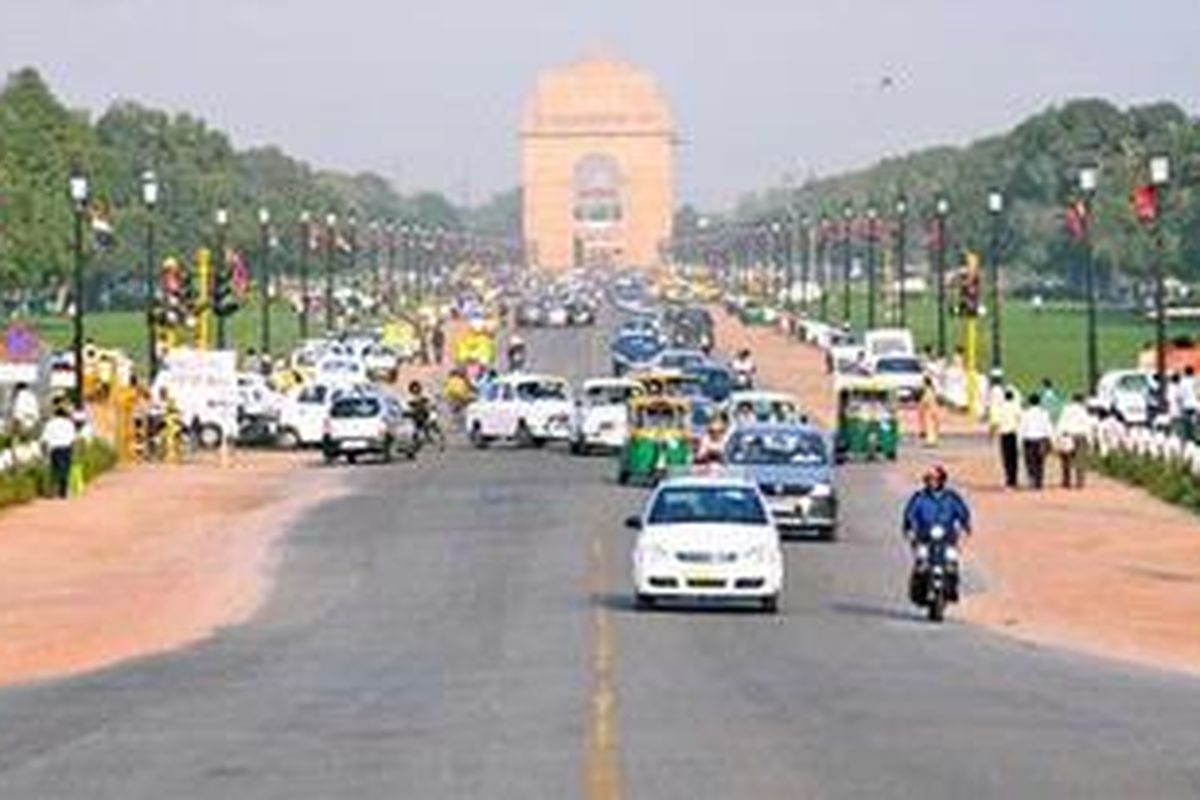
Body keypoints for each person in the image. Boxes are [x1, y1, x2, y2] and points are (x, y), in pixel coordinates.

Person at [901, 465, 972, 602]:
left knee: (952, 565)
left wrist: (965, 526)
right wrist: (909, 528)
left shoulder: (951, 498)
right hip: (924, 538)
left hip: (947, 539)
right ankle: (918, 591)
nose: (932, 482)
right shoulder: (919, 497)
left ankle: (952, 589)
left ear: (942, 480)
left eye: (935, 479)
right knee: (921, 565)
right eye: (929, 479)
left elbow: (962, 512)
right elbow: (910, 513)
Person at [1055, 393, 1093, 489]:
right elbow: (1087, 425)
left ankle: (1066, 481)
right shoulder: (1083, 410)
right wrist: (1090, 440)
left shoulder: (1066, 409)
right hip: (1080, 435)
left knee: (1066, 460)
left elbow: (1061, 422)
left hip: (1068, 435)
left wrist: (1058, 436)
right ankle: (1080, 482)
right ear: (1081, 400)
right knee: (1080, 460)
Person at [1018, 392, 1054, 489]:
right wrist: (1051, 439)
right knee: (1040, 462)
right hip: (1041, 439)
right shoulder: (1044, 413)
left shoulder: (1025, 414)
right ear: (1039, 402)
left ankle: (1032, 478)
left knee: (1030, 461)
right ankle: (1039, 481)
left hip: (1029, 440)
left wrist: (1019, 442)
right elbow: (1048, 427)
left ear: (1030, 402)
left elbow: (1021, 428)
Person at [40, 405, 77, 499]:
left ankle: (52, 491)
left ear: (55, 414)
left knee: (55, 470)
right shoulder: (69, 423)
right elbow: (73, 439)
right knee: (65, 469)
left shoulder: (50, 423)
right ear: (64, 414)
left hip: (55, 449)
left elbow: (44, 439)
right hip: (66, 448)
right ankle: (63, 491)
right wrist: (74, 451)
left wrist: (44, 452)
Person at [996, 388, 1022, 489]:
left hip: (1004, 434)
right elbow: (1020, 419)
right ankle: (1014, 479)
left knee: (1006, 458)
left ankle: (1008, 479)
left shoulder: (1001, 407)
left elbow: (997, 420)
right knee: (1014, 458)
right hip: (1013, 433)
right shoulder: (1016, 407)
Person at [918, 375, 940, 447]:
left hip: (930, 411)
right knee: (931, 426)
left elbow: (925, 402)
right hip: (931, 411)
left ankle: (931, 442)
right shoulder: (930, 391)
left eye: (922, 383)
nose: (922, 385)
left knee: (930, 426)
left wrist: (921, 406)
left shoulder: (928, 391)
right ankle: (932, 441)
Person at [1180, 366, 1198, 442]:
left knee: (1186, 423)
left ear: (1185, 372)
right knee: (1194, 422)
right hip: (1195, 405)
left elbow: (1181, 394)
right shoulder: (1195, 380)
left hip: (1186, 405)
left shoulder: (1183, 382)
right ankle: (1194, 437)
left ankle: (1187, 438)